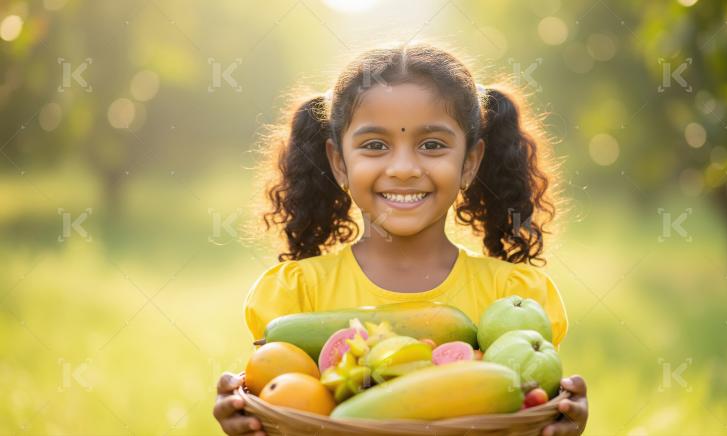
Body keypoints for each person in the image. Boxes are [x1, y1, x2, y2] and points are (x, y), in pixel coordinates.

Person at [214, 42, 588, 436]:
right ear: (339, 163)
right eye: (375, 145)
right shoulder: (295, 294)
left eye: (432, 145)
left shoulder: (514, 295)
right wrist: (245, 416)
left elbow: (529, 401)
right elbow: (280, 401)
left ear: (470, 162)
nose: (404, 168)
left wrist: (562, 419)